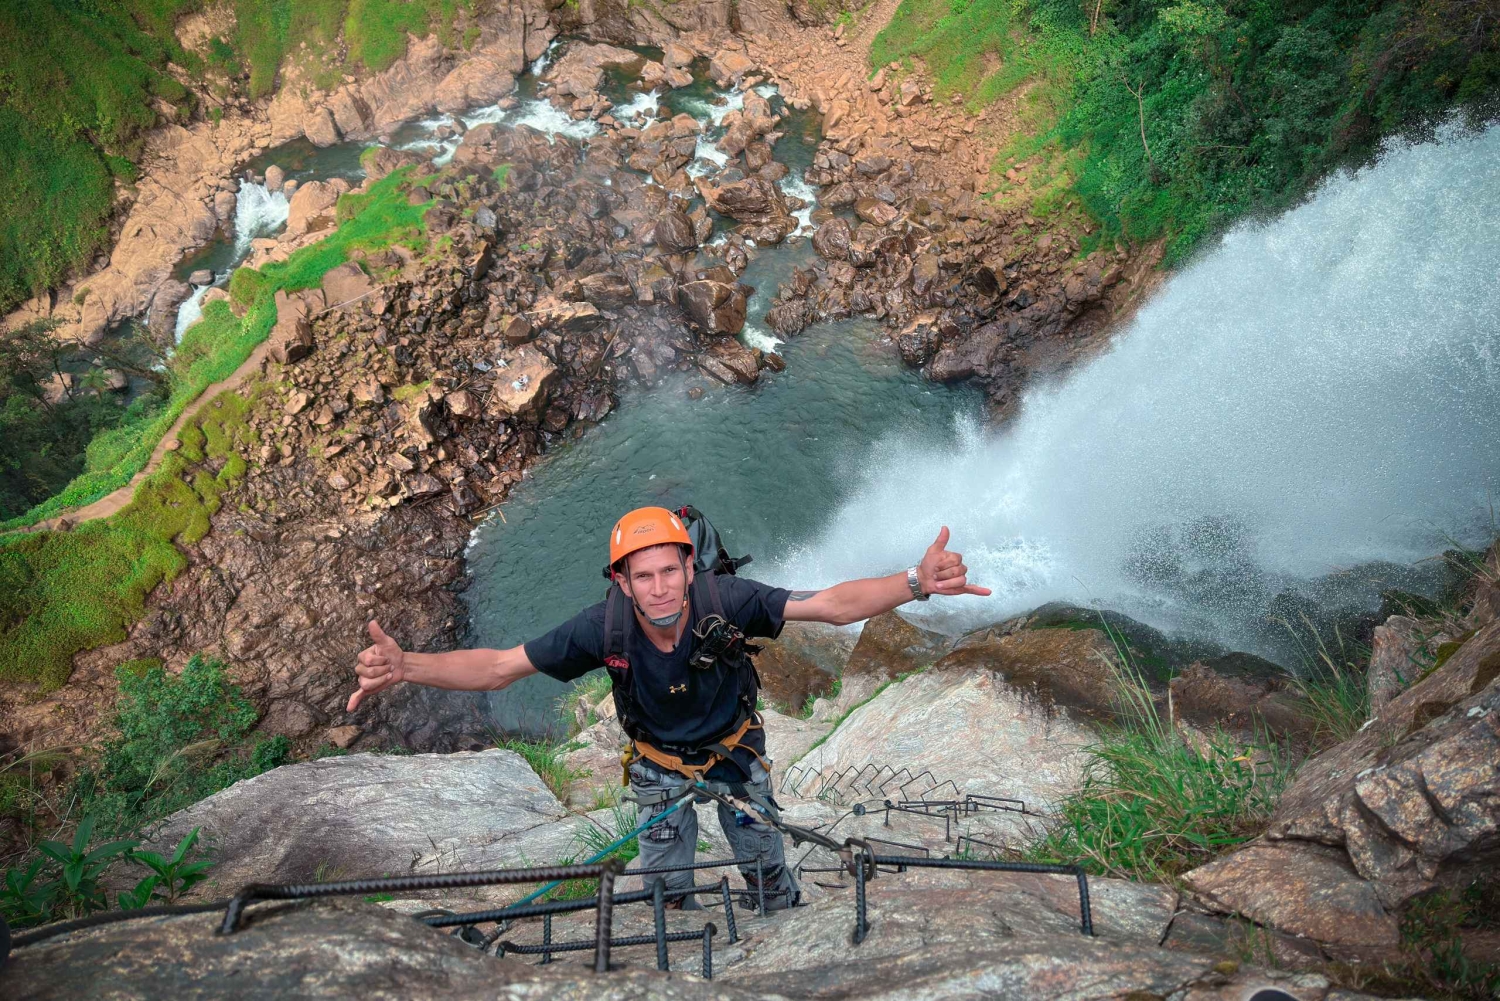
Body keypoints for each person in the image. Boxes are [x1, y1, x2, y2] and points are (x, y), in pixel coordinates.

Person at [348, 506, 991, 912]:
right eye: (641, 577)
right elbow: (497, 668)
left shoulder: (726, 599)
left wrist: (913, 583)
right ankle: (676, 921)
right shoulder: (603, 629)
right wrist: (408, 667)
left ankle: (777, 914)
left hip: (735, 756)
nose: (657, 588)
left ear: (688, 567)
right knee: (662, 883)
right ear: (621, 583)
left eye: (668, 571)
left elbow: (829, 605)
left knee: (766, 862)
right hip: (658, 768)